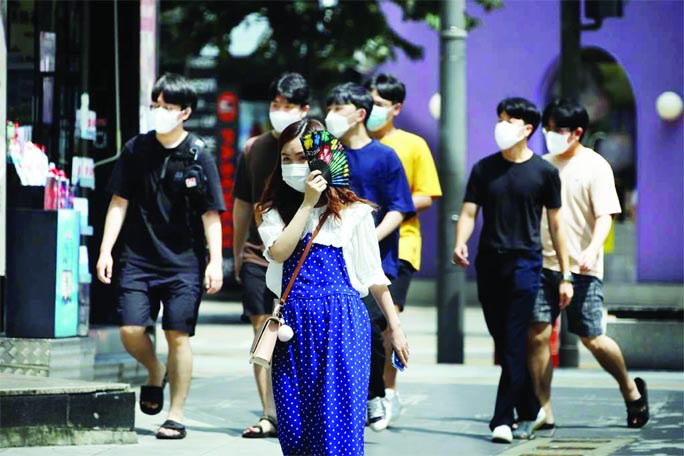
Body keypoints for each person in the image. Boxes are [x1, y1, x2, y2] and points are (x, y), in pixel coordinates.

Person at [256, 120, 409, 456]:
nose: (292, 166)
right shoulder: (272, 211)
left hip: (342, 325)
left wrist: (394, 329)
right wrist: (308, 203)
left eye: (299, 157)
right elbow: (279, 250)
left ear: (321, 161)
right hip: (293, 327)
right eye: (284, 158)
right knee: (295, 431)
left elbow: (374, 276)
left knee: (336, 426)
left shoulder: (354, 213)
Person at [96, 73, 225, 439]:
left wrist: (215, 261)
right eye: (156, 105)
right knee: (131, 330)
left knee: (177, 335)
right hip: (138, 258)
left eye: (167, 106)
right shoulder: (136, 149)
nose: (160, 112)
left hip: (184, 262)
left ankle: (176, 415)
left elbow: (211, 214)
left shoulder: (199, 154)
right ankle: (155, 371)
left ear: (184, 112)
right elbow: (118, 202)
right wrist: (106, 251)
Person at [452, 97, 573, 443]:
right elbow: (470, 212)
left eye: (509, 120)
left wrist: (565, 275)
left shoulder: (545, 173)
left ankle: (502, 420)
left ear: (527, 129)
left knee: (515, 338)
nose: (501, 125)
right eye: (500, 118)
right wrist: (461, 242)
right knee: (503, 339)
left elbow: (556, 225)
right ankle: (531, 407)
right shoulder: (483, 169)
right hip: (489, 262)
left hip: (526, 263)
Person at [527, 98, 649, 431]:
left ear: (577, 132)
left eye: (558, 129)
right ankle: (545, 409)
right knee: (537, 335)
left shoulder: (596, 166)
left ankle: (630, 389)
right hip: (544, 265)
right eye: (548, 128)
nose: (551, 134)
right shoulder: (541, 164)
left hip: (583, 268)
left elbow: (605, 215)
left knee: (591, 337)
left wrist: (593, 249)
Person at [325, 82, 415, 431]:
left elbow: (399, 208)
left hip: (374, 259)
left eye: (339, 108)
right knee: (340, 334)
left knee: (372, 329)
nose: (332, 114)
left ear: (360, 114)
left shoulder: (385, 156)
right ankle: (353, 398)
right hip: (332, 260)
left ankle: (375, 393)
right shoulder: (327, 153)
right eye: (329, 107)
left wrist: (366, 239)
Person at [233, 72, 310, 438]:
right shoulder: (253, 148)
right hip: (257, 252)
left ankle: (299, 406)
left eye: (288, 106)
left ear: (304, 109)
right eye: (275, 104)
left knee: (296, 335)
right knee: (263, 329)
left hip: (300, 256)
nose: (280, 112)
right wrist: (236, 253)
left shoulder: (317, 145)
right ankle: (269, 413)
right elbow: (242, 204)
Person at [364, 73, 442, 425]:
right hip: (357, 247)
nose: (371, 109)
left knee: (385, 323)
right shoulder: (353, 144)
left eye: (379, 104)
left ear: (396, 108)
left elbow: (427, 193)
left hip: (401, 247)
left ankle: (386, 393)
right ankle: (368, 393)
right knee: (362, 324)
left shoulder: (412, 145)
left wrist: (393, 204)